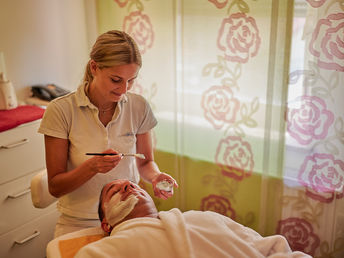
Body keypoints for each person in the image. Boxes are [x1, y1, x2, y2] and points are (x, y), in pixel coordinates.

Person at [38, 30, 177, 238]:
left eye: (131, 80)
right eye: (116, 80)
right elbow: (55, 187)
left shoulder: (138, 106)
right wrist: (92, 167)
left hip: (128, 217)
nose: (123, 89)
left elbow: (145, 163)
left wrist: (156, 177)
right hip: (78, 221)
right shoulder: (61, 111)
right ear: (94, 67)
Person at [70, 179, 311, 258]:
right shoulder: (103, 251)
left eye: (133, 184)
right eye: (115, 191)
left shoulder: (204, 218)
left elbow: (271, 247)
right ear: (105, 225)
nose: (129, 187)